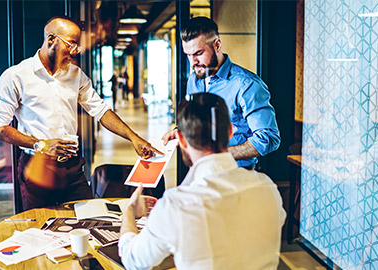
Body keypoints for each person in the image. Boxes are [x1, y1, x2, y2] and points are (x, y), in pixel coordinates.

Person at [0, 16, 162, 211]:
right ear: (51, 39)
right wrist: (41, 144)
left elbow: (100, 110)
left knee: (91, 219)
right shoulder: (16, 76)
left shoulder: (75, 74)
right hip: (37, 168)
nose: (75, 52)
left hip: (73, 168)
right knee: (41, 229)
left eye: (77, 46)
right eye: (71, 44)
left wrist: (134, 138)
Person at [119, 93, 286, 269]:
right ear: (230, 131)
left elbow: (133, 260)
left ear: (181, 139)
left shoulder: (177, 204)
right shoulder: (267, 188)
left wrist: (129, 213)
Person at [162, 17, 280, 169]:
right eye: (188, 55)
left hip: (237, 174)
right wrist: (180, 131)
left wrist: (218, 155)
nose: (193, 62)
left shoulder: (246, 85)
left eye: (198, 53)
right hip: (201, 170)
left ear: (217, 45)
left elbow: (268, 138)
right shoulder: (194, 79)